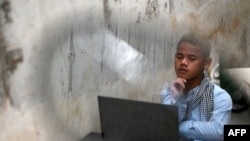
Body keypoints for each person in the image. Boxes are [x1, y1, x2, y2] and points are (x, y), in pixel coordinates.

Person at [161, 32, 232, 141]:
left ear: (206, 63)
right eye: (179, 57)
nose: (183, 62)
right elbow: (165, 126)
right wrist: (177, 98)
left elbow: (218, 131)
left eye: (192, 58)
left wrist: (178, 128)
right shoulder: (169, 90)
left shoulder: (220, 98)